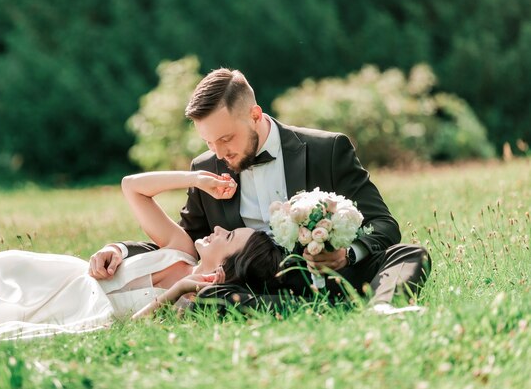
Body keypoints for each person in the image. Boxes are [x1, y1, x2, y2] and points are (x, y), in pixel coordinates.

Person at [90, 68, 431, 313]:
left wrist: (347, 254)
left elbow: (383, 224)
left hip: (330, 273)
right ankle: (303, 308)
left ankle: (382, 312)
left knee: (409, 253)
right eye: (209, 142)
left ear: (255, 114)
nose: (220, 153)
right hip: (247, 286)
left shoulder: (327, 150)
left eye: (226, 139)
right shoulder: (206, 168)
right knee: (219, 297)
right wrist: (122, 249)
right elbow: (186, 240)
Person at [0, 171, 283, 341]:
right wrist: (196, 179)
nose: (217, 228)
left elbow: (131, 327)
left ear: (220, 270)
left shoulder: (189, 301)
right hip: (57, 278)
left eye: (228, 235)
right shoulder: (180, 250)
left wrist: (178, 289)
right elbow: (132, 187)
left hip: (75, 311)